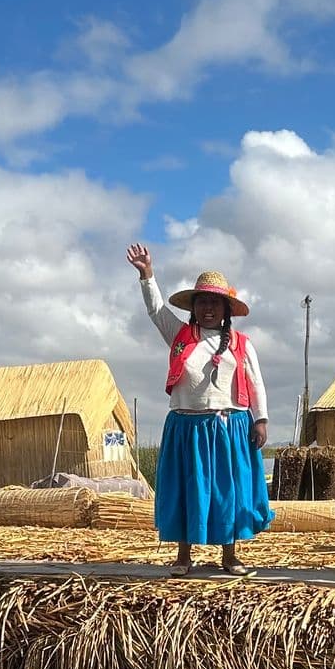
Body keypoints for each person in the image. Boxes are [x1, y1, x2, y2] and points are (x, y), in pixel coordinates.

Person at [125, 243, 272, 576]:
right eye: (202, 302)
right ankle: (183, 555)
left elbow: (257, 382)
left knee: (227, 491)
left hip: (229, 426)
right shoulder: (179, 335)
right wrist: (147, 274)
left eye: (214, 303)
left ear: (226, 309)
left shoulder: (242, 344)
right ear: (193, 307)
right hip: (186, 427)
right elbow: (156, 310)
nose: (208, 308)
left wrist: (260, 420)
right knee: (186, 487)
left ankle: (230, 554)